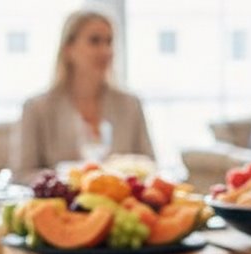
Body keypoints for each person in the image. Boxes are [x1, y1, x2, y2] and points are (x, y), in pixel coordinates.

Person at [14, 9, 154, 178]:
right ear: (68, 49)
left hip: (120, 195)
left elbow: (150, 164)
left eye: (109, 42)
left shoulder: (131, 104)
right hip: (63, 195)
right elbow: (21, 173)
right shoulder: (37, 108)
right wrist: (65, 182)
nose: (106, 51)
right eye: (94, 41)